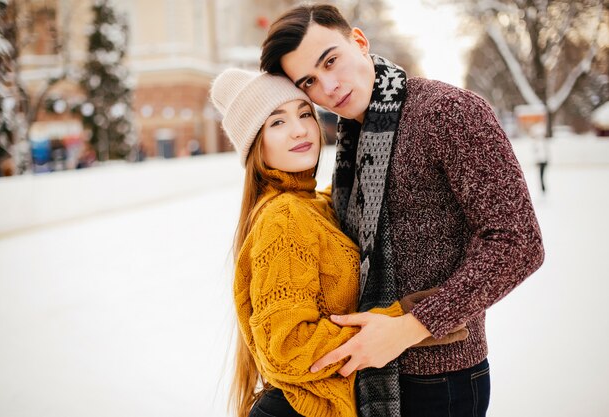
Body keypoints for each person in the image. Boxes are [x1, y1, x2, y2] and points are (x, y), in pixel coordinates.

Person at [260, 4, 545, 417]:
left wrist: (410, 327)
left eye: (331, 60)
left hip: (440, 379)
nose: (329, 86)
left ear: (359, 41)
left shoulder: (446, 112)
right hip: (369, 374)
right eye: (310, 81)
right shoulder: (353, 137)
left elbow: (519, 243)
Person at [210, 69, 467, 417]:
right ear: (256, 143)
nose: (299, 129)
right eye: (276, 123)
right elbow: (287, 347)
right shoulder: (285, 217)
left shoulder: (314, 204)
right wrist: (399, 321)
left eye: (304, 114)